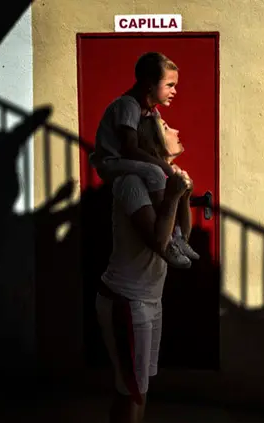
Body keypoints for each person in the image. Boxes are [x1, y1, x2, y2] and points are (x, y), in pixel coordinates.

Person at [95, 118, 192, 423]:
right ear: (151, 139)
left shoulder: (161, 182)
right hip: (127, 300)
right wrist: (175, 197)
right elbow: (159, 243)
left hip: (150, 299)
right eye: (166, 127)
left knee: (140, 389)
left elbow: (180, 241)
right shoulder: (132, 184)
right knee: (129, 392)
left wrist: (185, 198)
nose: (176, 130)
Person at [89, 51, 199, 268]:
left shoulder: (151, 112)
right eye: (169, 85)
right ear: (150, 84)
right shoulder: (128, 105)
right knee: (156, 172)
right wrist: (162, 166)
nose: (174, 91)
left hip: (126, 162)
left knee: (164, 174)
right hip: (112, 162)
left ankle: (176, 236)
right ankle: (168, 242)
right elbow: (130, 149)